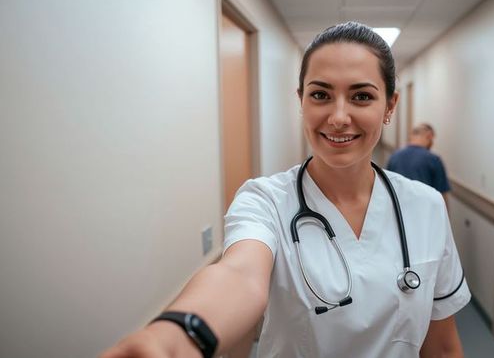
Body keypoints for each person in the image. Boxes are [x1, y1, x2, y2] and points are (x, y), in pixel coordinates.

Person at [101, 21, 469, 358]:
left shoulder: (426, 206)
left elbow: (442, 348)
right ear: (301, 100)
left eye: (361, 97)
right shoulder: (265, 201)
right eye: (321, 95)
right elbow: (239, 276)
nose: (339, 117)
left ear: (390, 105)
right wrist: (178, 335)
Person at [387, 124, 451, 204]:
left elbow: (387, 186)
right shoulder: (433, 159)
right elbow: (442, 194)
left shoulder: (395, 156)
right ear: (429, 136)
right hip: (424, 210)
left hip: (397, 210)